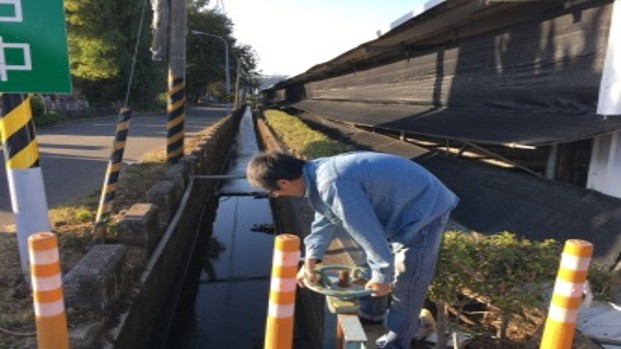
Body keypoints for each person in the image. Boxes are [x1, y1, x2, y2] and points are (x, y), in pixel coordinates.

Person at [246, 151, 458, 349]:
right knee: (369, 259)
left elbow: (367, 231)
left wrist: (383, 276)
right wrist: (311, 260)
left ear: (283, 182)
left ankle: (396, 342)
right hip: (400, 204)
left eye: (274, 192)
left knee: (408, 280)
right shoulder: (317, 174)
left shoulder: (332, 183)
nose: (278, 196)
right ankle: (372, 314)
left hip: (424, 209)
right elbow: (325, 219)